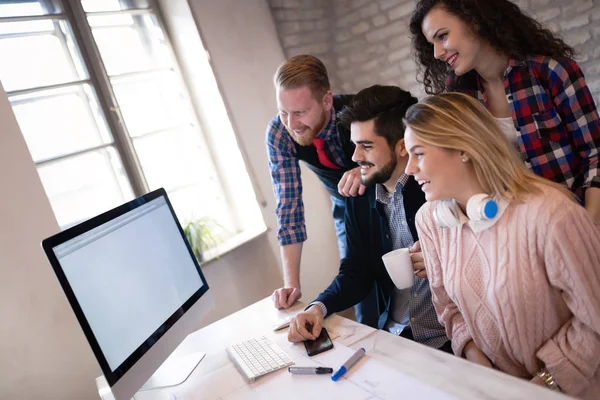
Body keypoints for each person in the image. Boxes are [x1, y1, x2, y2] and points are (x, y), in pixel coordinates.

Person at [403, 92, 600, 398]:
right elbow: (450, 311)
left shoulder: (552, 214)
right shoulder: (431, 221)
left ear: (463, 148)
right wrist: (486, 375)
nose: (409, 169)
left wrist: (539, 385)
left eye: (419, 154)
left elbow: (594, 320)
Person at [287, 85, 451, 354]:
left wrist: (440, 259)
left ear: (401, 147)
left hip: (448, 340)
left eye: (366, 146)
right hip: (394, 340)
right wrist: (318, 307)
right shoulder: (358, 196)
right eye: (354, 145)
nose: (355, 157)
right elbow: (355, 271)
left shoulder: (434, 189)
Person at [409, 0, 600, 224]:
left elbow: (595, 154)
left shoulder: (551, 73)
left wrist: (591, 221)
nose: (437, 53)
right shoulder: (460, 96)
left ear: (475, 20)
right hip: (512, 229)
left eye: (442, 36)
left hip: (575, 217)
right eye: (431, 44)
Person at [266, 54, 379, 327]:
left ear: (327, 101)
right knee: (365, 306)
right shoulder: (280, 134)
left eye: (300, 112)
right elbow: (288, 207)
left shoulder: (359, 111)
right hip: (344, 206)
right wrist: (291, 285)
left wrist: (367, 167)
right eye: (284, 112)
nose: (291, 124)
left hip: (383, 196)